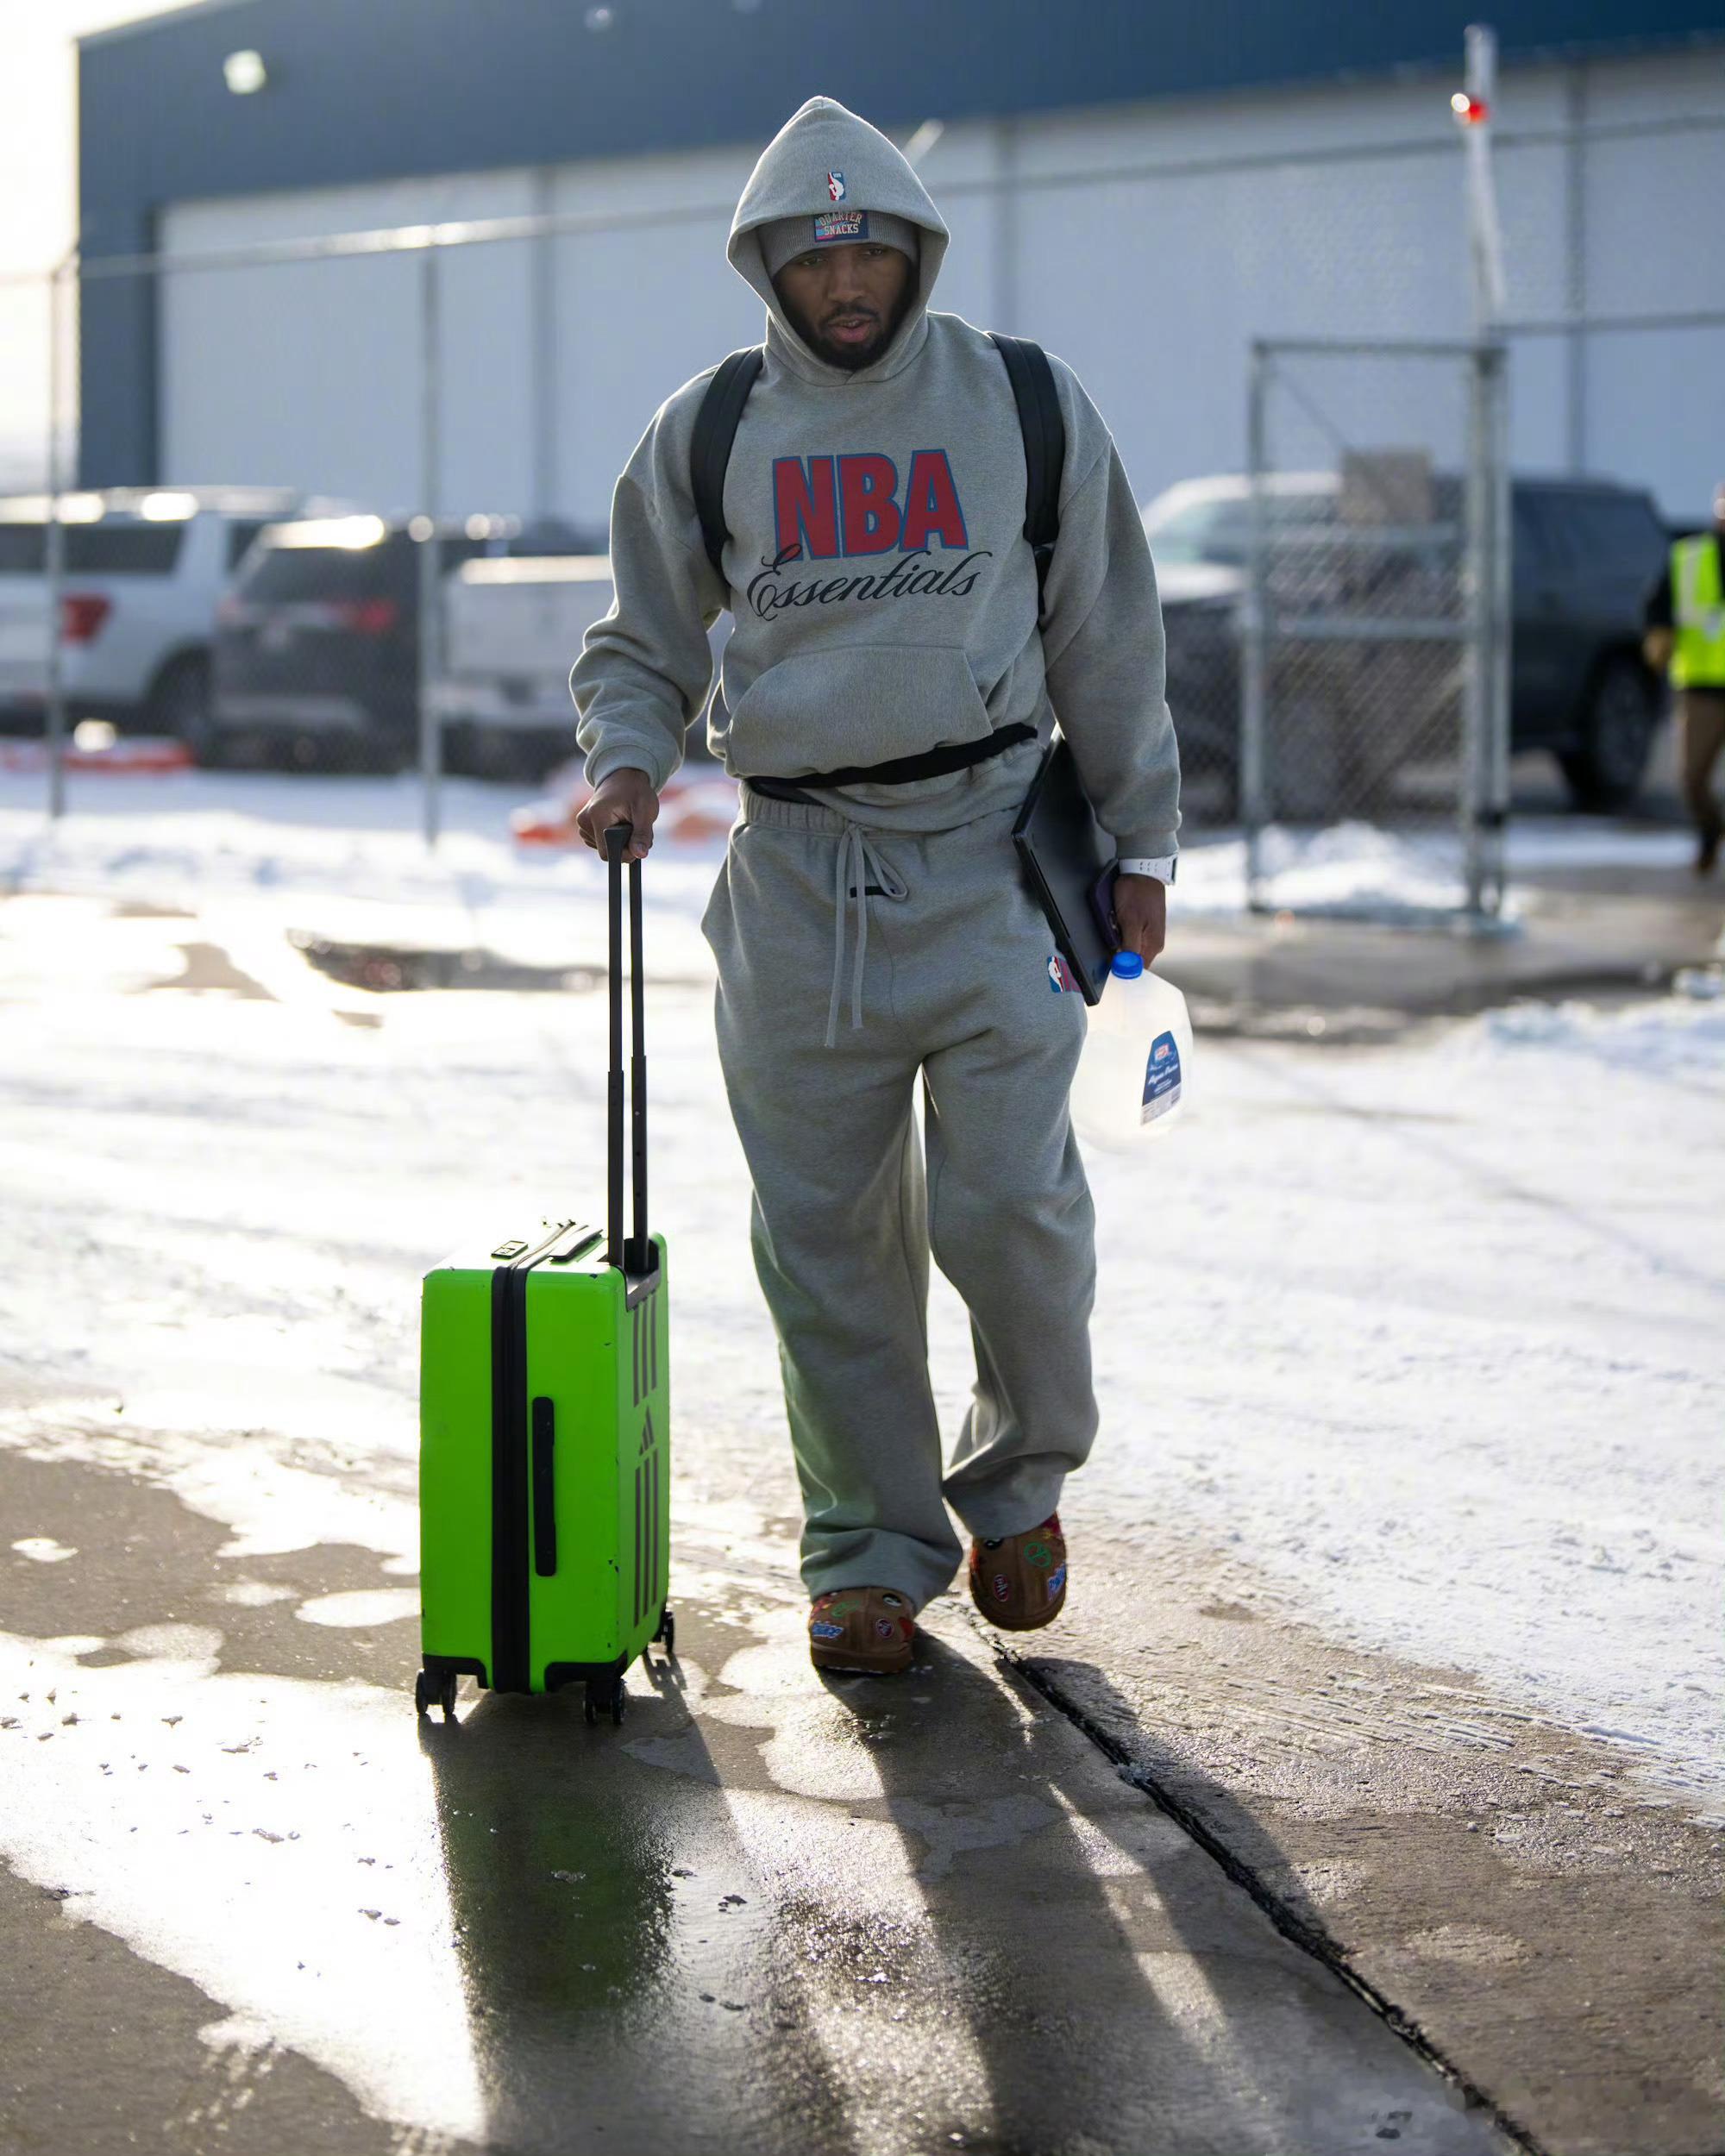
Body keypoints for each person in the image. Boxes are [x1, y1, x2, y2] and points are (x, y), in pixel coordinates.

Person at [570, 97, 1181, 1677]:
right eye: (812, 257)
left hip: (994, 862)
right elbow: (642, 639)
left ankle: (1020, 1487)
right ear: (765, 268)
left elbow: (1107, 635)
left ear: (916, 251)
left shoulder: (1022, 403)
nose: (845, 282)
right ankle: (868, 1553)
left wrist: (1143, 844)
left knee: (1010, 1210)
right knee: (825, 1241)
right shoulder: (710, 430)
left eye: (870, 252)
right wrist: (628, 761)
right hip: (796, 883)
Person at [1644, 479, 1725, 874]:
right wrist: (1659, 638)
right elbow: (1657, 608)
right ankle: (1711, 831)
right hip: (1702, 687)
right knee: (1692, 778)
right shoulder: (1689, 557)